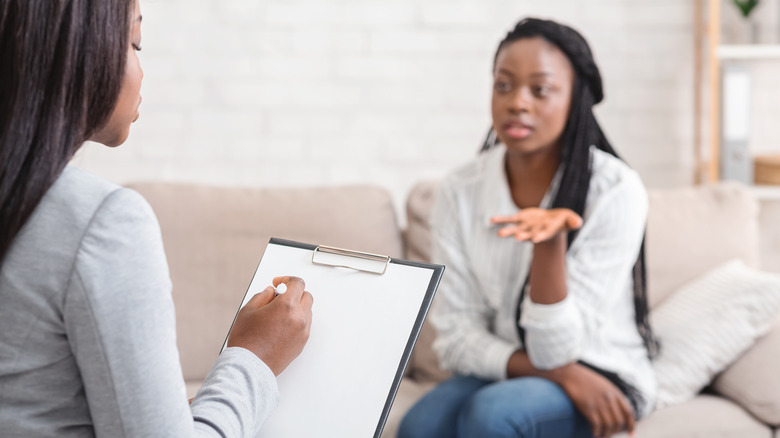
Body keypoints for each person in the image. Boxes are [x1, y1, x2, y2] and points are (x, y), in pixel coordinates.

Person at [0, 1, 313, 436]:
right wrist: (255, 354)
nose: (142, 71)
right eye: (135, 43)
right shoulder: (102, 222)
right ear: (76, 52)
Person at [398, 18, 657, 438]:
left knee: (493, 416)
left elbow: (557, 349)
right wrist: (564, 376)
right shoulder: (460, 190)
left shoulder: (615, 191)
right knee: (420, 426)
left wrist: (550, 244)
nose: (517, 102)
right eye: (504, 85)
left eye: (540, 89)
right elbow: (456, 339)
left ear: (575, 99)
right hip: (517, 364)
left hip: (600, 371)